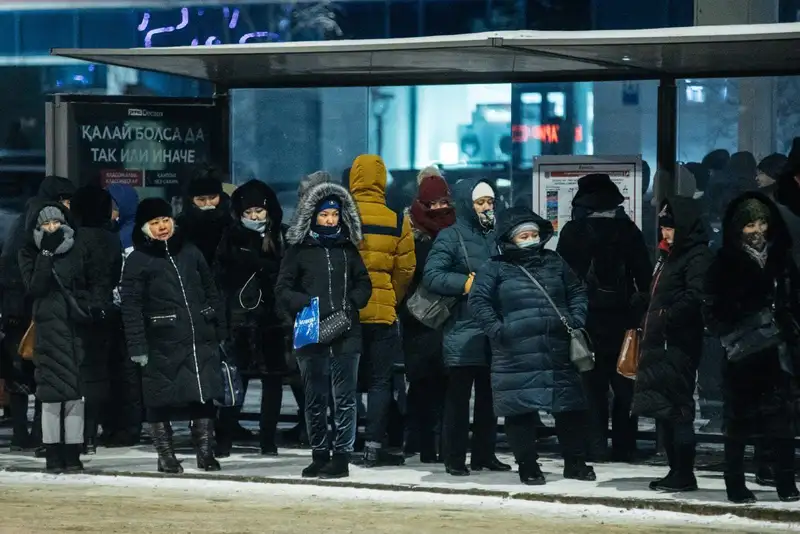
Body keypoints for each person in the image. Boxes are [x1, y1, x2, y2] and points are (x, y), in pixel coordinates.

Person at [469, 207, 595, 485]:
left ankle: (575, 462)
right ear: (510, 239)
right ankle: (528, 465)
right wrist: (498, 330)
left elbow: (576, 291)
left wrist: (575, 320)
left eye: (533, 234)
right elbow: (478, 302)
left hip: (557, 348)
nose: (530, 239)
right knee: (520, 410)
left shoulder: (554, 261)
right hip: (515, 352)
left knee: (569, 408)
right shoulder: (495, 267)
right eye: (523, 235)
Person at [703, 193, 800, 504]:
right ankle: (735, 483)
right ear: (737, 228)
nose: (757, 231)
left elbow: (793, 299)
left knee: (782, 419)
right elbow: (712, 309)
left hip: (777, 349)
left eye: (761, 223)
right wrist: (736, 319)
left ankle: (786, 481)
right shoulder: (725, 262)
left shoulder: (781, 259)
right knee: (739, 421)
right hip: (741, 351)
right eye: (749, 225)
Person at [121, 198, 224, 474]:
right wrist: (137, 346)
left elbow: (210, 288)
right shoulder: (137, 260)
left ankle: (205, 452)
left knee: (203, 396)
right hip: (159, 340)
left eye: (164, 220)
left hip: (198, 337)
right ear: (144, 228)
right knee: (158, 397)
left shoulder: (190, 251)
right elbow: (131, 307)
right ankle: (165, 455)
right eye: (154, 223)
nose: (162, 227)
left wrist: (215, 321)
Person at [276, 181, 372, 479]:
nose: (331, 220)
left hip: (346, 331)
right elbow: (282, 288)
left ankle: (341, 457)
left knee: (345, 398)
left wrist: (351, 303)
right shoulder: (299, 250)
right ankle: (319, 455)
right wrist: (307, 304)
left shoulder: (348, 249)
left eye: (334, 215)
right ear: (312, 217)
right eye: (324, 215)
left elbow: (364, 284)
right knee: (315, 397)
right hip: (311, 331)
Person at [556, 174, 652, 462]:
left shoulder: (573, 232)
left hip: (587, 320)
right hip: (624, 322)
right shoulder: (629, 231)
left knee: (591, 387)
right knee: (625, 384)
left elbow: (563, 278)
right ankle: (625, 446)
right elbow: (644, 278)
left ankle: (595, 446)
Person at [423, 177, 510, 477]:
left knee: (490, 398)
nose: (487, 208)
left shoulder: (497, 236)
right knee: (459, 400)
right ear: (466, 205)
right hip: (462, 329)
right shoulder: (450, 236)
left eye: (490, 202)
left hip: (492, 330)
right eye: (480, 202)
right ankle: (455, 457)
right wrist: (465, 283)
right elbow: (432, 276)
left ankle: (485, 454)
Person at [632, 198, 711, 492]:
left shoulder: (696, 256)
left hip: (677, 343)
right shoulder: (667, 255)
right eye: (664, 228)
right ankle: (675, 469)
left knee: (677, 408)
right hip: (660, 342)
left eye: (672, 228)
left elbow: (695, 296)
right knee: (665, 408)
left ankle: (683, 471)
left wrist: (665, 315)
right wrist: (646, 303)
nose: (666, 234)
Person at [18, 202, 104, 472]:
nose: (52, 228)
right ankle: (53, 454)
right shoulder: (29, 251)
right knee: (51, 395)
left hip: (75, 328)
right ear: (37, 227)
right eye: (46, 224)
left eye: (56, 223)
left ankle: (73, 453)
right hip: (46, 329)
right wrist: (46, 252)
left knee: (75, 395)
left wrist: (88, 306)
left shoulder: (78, 248)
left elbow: (92, 282)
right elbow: (35, 287)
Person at [348, 154, 416, 467]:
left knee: (344, 380)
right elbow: (405, 271)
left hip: (347, 312)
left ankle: (343, 442)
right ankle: (375, 445)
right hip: (383, 314)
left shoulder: (343, 218)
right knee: (380, 382)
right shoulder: (397, 220)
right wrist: (391, 297)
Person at [0, 175, 75, 453]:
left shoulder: (23, 221)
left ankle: (21, 433)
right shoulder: (51, 225)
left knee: (19, 373)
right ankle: (41, 433)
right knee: (46, 372)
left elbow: (8, 270)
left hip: (17, 312)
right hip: (36, 311)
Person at [214, 179, 288, 457]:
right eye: (249, 212)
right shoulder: (231, 238)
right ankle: (225, 437)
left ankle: (268, 440)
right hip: (239, 320)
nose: (255, 217)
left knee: (273, 382)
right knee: (235, 382)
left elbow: (288, 273)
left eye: (259, 211)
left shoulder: (282, 236)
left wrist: (262, 265)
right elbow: (219, 277)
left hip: (273, 321)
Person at [400, 173, 455, 463]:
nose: (438, 208)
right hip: (418, 318)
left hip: (447, 317)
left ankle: (440, 446)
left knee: (445, 385)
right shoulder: (408, 231)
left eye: (443, 202)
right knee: (422, 384)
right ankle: (421, 445)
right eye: (432, 203)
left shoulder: (456, 229)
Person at [69, 185, 122, 454]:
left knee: (79, 376)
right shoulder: (111, 238)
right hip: (105, 311)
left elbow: (73, 276)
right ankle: (93, 433)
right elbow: (114, 274)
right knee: (99, 374)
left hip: (80, 312)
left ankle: (79, 435)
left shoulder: (78, 238)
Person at [102, 183, 143, 447]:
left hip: (128, 315)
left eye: (114, 207)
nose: (110, 213)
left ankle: (128, 428)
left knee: (128, 377)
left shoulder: (132, 239)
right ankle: (117, 426)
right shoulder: (115, 234)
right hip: (115, 314)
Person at [176, 166, 232, 268]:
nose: (208, 203)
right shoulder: (182, 225)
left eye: (212, 198)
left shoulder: (231, 221)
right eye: (201, 199)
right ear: (192, 199)